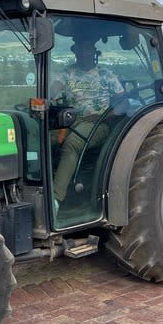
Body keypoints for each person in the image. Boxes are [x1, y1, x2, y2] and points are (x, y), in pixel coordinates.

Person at [50, 36, 124, 209]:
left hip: (98, 123)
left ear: (94, 53)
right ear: (75, 52)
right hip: (69, 120)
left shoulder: (107, 75)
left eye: (87, 49)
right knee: (42, 140)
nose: (84, 53)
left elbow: (123, 104)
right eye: (80, 50)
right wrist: (48, 94)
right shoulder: (67, 72)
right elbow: (54, 88)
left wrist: (102, 117)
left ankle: (54, 199)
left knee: (72, 144)